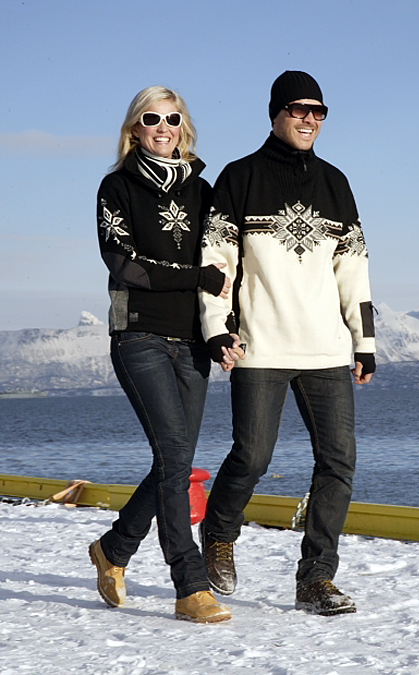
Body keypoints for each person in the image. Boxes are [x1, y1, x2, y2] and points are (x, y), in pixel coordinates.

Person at [198, 71, 376, 616]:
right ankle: (219, 533)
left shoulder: (335, 183)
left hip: (327, 349)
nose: (310, 119)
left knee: (338, 462)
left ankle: (316, 579)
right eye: (299, 109)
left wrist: (363, 342)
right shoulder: (239, 177)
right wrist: (215, 327)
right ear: (276, 113)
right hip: (261, 346)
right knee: (252, 456)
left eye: (319, 111)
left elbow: (354, 270)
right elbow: (216, 263)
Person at [89, 86, 232, 623]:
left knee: (174, 461)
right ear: (135, 128)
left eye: (173, 118)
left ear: (184, 126)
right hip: (139, 336)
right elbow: (125, 266)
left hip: (192, 341)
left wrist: (225, 330)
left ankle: (114, 548)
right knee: (174, 453)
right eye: (151, 118)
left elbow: (224, 264)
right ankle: (190, 586)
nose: (163, 127)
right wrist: (197, 277)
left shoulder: (204, 191)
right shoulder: (116, 187)